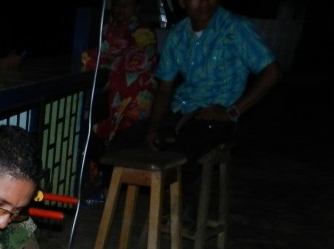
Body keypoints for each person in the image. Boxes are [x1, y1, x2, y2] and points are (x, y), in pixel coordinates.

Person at [143, 0, 282, 221]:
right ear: (182, 2)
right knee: (124, 143)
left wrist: (232, 112)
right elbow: (164, 88)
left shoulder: (235, 28)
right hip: (182, 109)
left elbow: (271, 72)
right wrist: (153, 128)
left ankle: (186, 209)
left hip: (217, 117)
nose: (204, 3)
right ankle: (160, 207)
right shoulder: (178, 34)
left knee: (180, 154)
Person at [82, 0, 158, 149]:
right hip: (114, 94)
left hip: (133, 98)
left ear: (137, 8)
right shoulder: (108, 28)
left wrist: (94, 58)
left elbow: (118, 57)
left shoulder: (142, 30)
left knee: (125, 144)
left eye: (127, 4)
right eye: (118, 3)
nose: (121, 8)